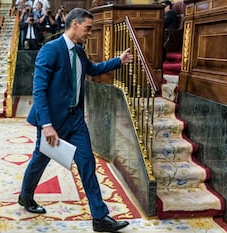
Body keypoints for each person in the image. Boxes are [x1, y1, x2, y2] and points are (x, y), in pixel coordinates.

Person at [19, 8, 133, 233]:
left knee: (87, 163)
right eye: (88, 28)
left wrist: (118, 61)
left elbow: (92, 69)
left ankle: (100, 218)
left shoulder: (79, 52)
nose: (89, 33)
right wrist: (47, 125)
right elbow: (39, 90)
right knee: (39, 162)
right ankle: (26, 196)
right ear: (74, 25)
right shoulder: (50, 50)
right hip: (53, 121)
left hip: (76, 119)